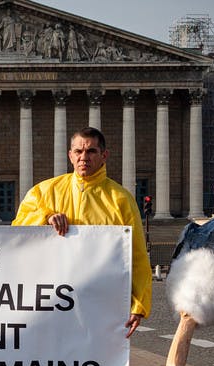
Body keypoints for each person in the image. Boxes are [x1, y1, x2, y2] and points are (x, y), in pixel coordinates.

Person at [12, 127, 152, 338]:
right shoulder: (44, 192)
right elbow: (17, 230)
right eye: (78, 152)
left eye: (91, 152)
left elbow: (137, 255)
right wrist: (45, 216)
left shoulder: (121, 199)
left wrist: (139, 305)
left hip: (99, 303)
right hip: (52, 302)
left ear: (104, 156)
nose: (83, 157)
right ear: (70, 155)